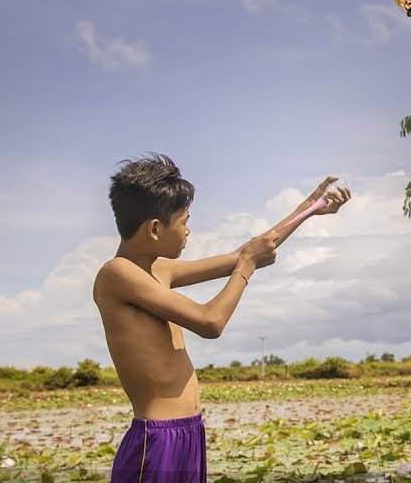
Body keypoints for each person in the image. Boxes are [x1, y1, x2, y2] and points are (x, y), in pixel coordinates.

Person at [93, 154, 350, 482]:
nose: (189, 230)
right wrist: (246, 266)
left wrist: (310, 207)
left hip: (189, 432)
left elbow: (246, 253)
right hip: (156, 440)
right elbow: (210, 321)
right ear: (155, 228)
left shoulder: (159, 269)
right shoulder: (116, 274)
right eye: (184, 221)